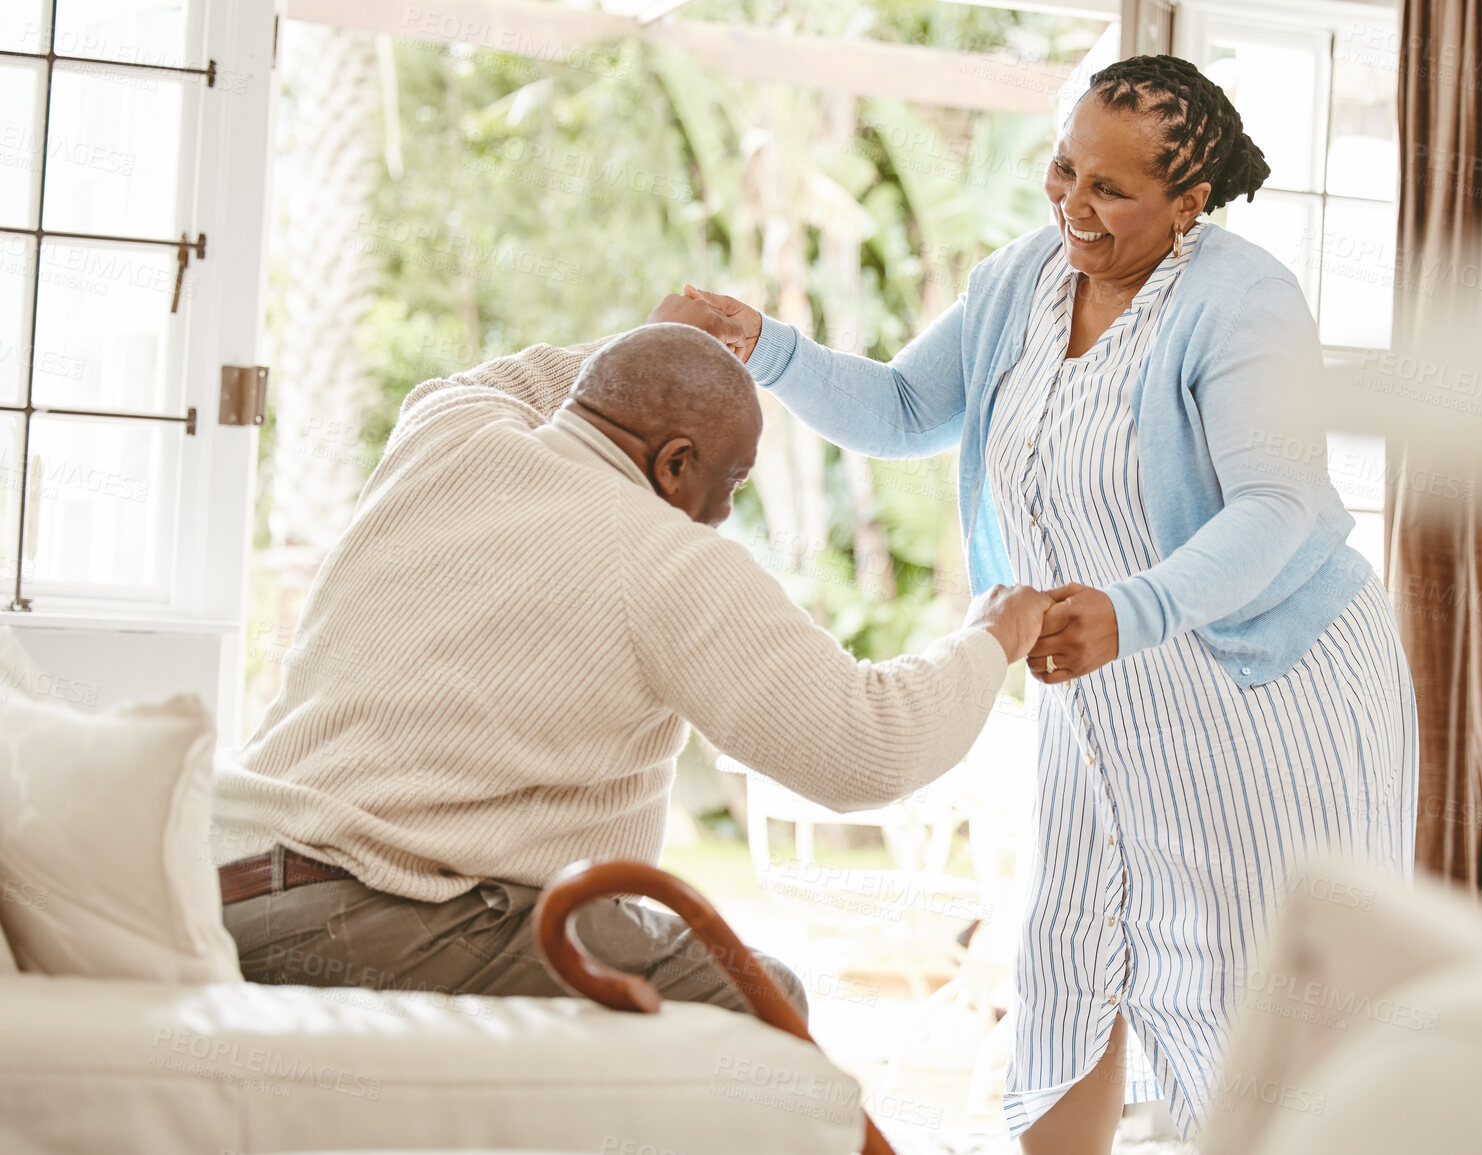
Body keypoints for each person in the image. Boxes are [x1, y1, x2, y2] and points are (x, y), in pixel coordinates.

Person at [671, 54, 1418, 1154]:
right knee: (1070, 962)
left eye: (1111, 190)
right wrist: (764, 347)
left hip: (1263, 691)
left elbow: (1280, 506)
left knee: (1249, 989)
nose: (1074, 205)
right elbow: (904, 407)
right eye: (1063, 170)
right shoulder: (1023, 279)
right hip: (1102, 694)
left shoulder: (1242, 300)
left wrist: (1132, 610)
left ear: (1191, 203)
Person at [212, 314, 1053, 1022]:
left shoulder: (448, 433)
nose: (724, 514)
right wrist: (992, 638)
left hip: (224, 886)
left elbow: (526, 383)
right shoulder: (668, 562)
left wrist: (654, 341)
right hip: (375, 917)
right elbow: (867, 747)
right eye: (730, 482)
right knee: (765, 999)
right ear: (675, 465)